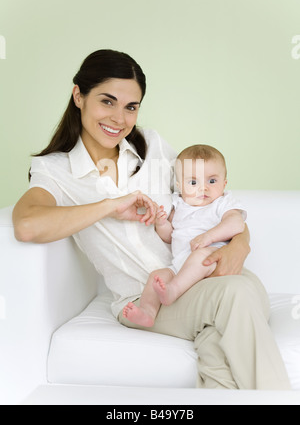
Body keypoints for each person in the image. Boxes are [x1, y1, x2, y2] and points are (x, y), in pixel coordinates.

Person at [12, 49, 291, 390]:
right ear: (78, 96)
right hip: (149, 301)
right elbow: (27, 225)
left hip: (209, 278)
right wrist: (110, 206)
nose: (119, 118)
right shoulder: (54, 170)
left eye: (131, 106)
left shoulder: (153, 148)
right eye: (107, 101)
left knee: (220, 348)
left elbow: (208, 199)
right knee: (235, 297)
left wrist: (241, 245)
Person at [122, 144, 247, 328]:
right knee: (158, 275)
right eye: (193, 183)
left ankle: (173, 291)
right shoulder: (179, 206)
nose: (203, 188)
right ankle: (148, 312)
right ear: (180, 187)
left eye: (212, 181)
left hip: (213, 260)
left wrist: (209, 237)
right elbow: (170, 237)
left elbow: (237, 223)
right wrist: (162, 223)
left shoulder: (222, 203)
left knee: (200, 255)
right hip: (179, 265)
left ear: (224, 183)